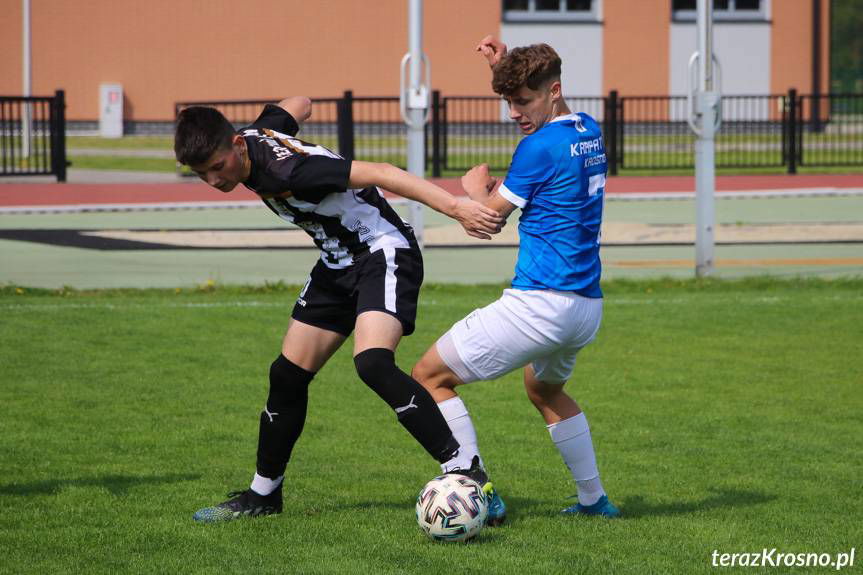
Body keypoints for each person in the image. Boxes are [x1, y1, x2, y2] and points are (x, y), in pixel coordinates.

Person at [174, 98, 503, 522]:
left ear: (237, 144)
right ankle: (263, 496)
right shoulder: (256, 139)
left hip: (382, 253)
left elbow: (384, 174)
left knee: (372, 363)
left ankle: (465, 472)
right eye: (202, 174)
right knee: (286, 375)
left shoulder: (289, 171)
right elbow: (298, 104)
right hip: (337, 263)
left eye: (217, 167)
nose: (214, 180)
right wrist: (295, 120)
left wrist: (457, 208)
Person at [412, 36, 620, 521]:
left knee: (428, 377)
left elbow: (485, 222)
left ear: (553, 91)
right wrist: (506, 66)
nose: (513, 112)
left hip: (540, 305)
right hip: (586, 307)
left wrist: (471, 192)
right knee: (544, 391)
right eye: (508, 101)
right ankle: (595, 502)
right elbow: (545, 117)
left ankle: (475, 487)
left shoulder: (537, 147)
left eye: (522, 101)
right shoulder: (587, 128)